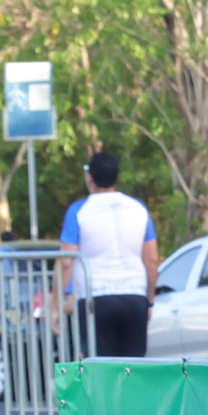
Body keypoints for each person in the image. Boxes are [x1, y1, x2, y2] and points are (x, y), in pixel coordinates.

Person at [62, 149, 158, 358]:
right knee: (133, 369)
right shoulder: (138, 208)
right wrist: (149, 300)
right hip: (134, 295)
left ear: (90, 178)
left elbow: (65, 262)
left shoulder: (79, 211)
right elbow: (152, 259)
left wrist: (57, 303)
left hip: (95, 298)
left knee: (101, 370)